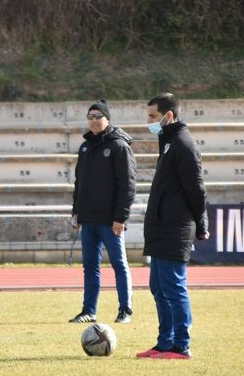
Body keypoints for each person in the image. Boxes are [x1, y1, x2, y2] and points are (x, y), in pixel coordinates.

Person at [136, 93, 209, 359]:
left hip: (174, 228)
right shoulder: (168, 141)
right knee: (159, 287)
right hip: (160, 227)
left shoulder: (183, 143)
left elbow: (197, 189)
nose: (149, 121)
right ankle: (164, 342)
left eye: (153, 116)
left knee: (174, 287)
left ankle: (182, 344)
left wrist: (201, 223)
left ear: (169, 115)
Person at [69, 100, 137, 324]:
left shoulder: (118, 146)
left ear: (107, 119)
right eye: (91, 117)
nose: (95, 121)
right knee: (90, 267)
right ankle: (89, 310)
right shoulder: (85, 147)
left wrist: (121, 217)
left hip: (110, 221)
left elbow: (127, 184)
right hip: (88, 220)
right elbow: (80, 183)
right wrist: (76, 212)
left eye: (99, 116)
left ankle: (125, 310)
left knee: (119, 264)